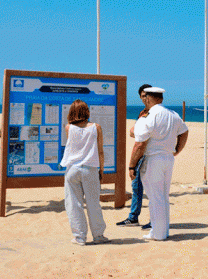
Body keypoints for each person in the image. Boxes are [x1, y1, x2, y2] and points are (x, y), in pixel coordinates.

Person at [129, 87, 189, 241]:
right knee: (163, 196)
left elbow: (139, 145)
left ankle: (159, 233)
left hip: (154, 159)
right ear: (161, 99)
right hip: (168, 159)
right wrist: (177, 149)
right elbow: (184, 131)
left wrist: (132, 165)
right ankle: (161, 230)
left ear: (148, 98)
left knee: (155, 197)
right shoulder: (173, 114)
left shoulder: (148, 117)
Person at [60, 99, 108, 245]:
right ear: (87, 111)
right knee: (93, 203)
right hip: (90, 168)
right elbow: (100, 151)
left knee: (74, 204)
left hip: (73, 168)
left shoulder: (69, 128)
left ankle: (79, 236)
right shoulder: (96, 127)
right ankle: (98, 235)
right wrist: (101, 169)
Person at [117, 84, 152, 227]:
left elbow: (137, 132)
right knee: (136, 186)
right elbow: (133, 132)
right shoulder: (142, 112)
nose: (146, 98)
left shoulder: (155, 113)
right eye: (143, 96)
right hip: (141, 154)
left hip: (149, 154)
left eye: (148, 95)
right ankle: (133, 217)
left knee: (151, 188)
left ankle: (153, 219)